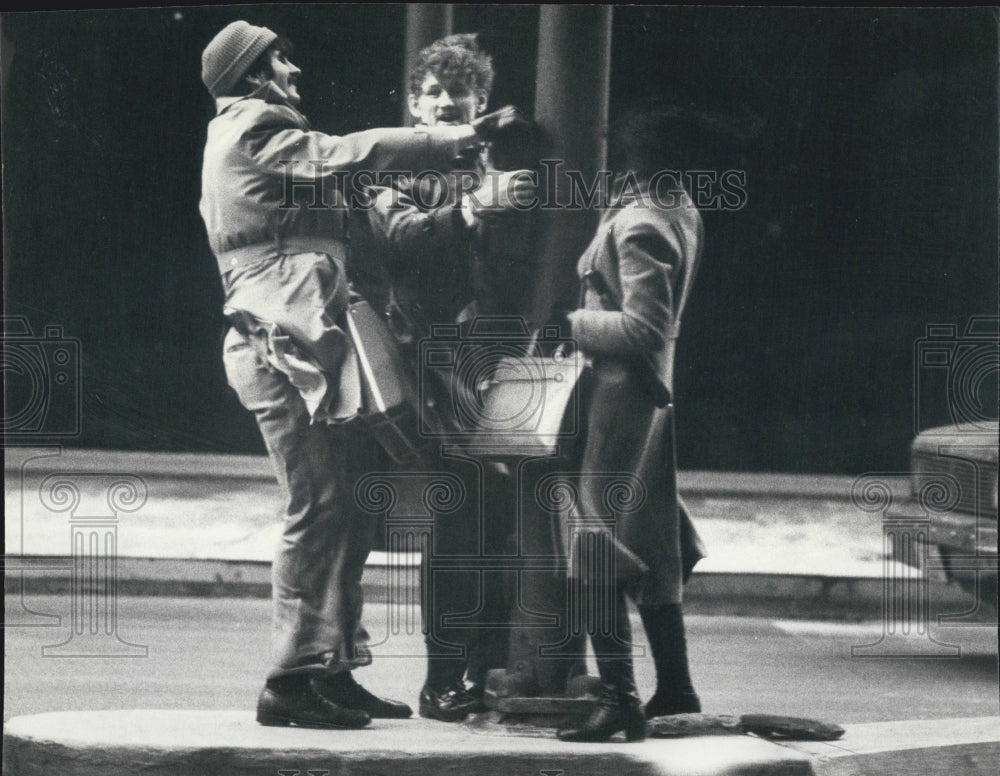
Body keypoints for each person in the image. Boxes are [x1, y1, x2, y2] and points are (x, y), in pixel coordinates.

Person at [198, 20, 516, 729]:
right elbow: (349, 156)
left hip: (305, 338)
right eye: (279, 59)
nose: (293, 70)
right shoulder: (255, 126)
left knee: (345, 510)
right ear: (252, 74)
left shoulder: (256, 135)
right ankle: (291, 680)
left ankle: (331, 669)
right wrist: (450, 143)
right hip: (283, 340)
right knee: (317, 509)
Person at [352, 33, 535, 722]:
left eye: (460, 96)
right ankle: (444, 674)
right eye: (434, 96)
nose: (446, 105)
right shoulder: (394, 167)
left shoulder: (490, 162)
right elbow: (400, 237)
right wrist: (473, 208)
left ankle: (482, 664)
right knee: (461, 515)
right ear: (415, 103)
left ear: (481, 102)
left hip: (496, 356)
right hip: (436, 358)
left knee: (496, 516)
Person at [555, 105, 706, 743]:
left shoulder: (641, 222)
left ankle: (618, 698)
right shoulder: (681, 208)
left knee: (592, 542)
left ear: (635, 157)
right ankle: (676, 686)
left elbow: (645, 327)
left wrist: (571, 325)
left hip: (617, 397)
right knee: (651, 539)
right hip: (650, 401)